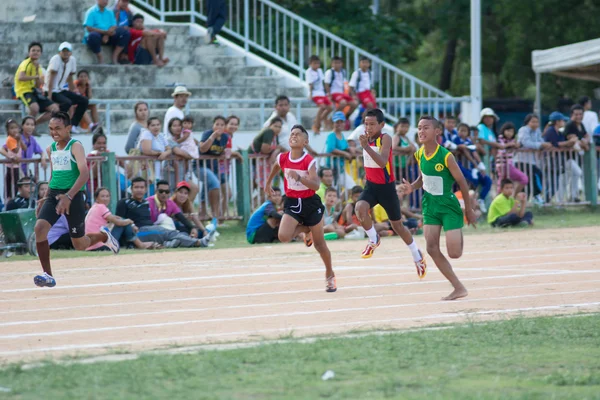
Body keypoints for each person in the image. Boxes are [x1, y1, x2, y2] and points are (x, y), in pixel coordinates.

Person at [33, 112, 119, 288]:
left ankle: (103, 235)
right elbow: (54, 175)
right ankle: (48, 275)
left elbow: (84, 173)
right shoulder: (51, 149)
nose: (53, 132)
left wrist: (69, 196)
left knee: (79, 244)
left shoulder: (76, 146)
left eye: (57, 128)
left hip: (74, 196)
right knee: (40, 228)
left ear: (68, 128)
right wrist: (45, 197)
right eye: (50, 129)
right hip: (54, 195)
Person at [399, 115, 475, 301]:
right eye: (419, 128)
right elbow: (422, 177)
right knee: (431, 248)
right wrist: (412, 187)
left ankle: (457, 231)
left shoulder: (446, 156)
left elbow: (462, 182)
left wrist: (470, 209)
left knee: (454, 253)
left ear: (437, 131)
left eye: (426, 128)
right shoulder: (419, 154)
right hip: (430, 206)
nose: (421, 131)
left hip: (448, 206)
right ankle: (458, 288)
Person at [264, 124, 337, 292]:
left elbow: (315, 185)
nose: (293, 136)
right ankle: (307, 230)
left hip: (310, 204)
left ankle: (329, 274)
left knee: (319, 244)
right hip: (292, 202)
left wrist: (299, 178)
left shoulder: (308, 161)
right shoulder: (283, 158)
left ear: (305, 141)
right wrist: (268, 184)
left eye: (297, 134)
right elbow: (276, 166)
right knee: (283, 236)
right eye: (292, 134)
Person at [354, 108, 426, 277]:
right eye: (366, 124)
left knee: (397, 225)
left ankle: (417, 256)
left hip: (386, 188)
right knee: (359, 208)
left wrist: (366, 147)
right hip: (371, 186)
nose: (369, 127)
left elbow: (382, 162)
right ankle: (374, 239)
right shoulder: (365, 139)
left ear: (382, 125)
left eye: (372, 124)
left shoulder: (385, 138)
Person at [114, 177, 212, 248]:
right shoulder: (124, 202)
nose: (139, 190)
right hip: (138, 232)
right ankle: (198, 242)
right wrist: (131, 226)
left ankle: (176, 243)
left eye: (142, 187)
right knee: (168, 233)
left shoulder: (145, 203)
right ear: (131, 189)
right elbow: (118, 221)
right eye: (136, 187)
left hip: (150, 228)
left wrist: (192, 227)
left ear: (146, 189)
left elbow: (180, 216)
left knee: (170, 232)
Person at [86, 187, 157, 251]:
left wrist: (128, 222)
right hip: (100, 246)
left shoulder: (95, 207)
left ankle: (133, 244)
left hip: (90, 245)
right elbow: (119, 222)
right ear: (97, 198)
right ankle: (140, 245)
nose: (105, 199)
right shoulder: (101, 207)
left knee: (123, 221)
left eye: (107, 196)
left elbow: (114, 217)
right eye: (102, 196)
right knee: (123, 223)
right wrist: (129, 221)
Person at [45, 42, 89, 134]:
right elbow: (51, 77)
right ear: (59, 52)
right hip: (52, 90)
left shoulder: (72, 60)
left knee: (83, 100)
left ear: (70, 53)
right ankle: (58, 125)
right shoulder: (56, 59)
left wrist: (73, 91)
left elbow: (69, 77)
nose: (65, 53)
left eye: (67, 51)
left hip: (61, 89)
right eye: (63, 51)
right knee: (67, 102)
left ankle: (73, 125)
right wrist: (49, 95)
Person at [14, 42, 59, 124]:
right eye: (33, 50)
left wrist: (37, 73)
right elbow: (21, 77)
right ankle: (24, 129)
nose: (35, 52)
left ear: (41, 53)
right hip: (23, 91)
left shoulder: (38, 66)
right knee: (35, 108)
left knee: (55, 109)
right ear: (29, 52)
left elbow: (38, 85)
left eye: (38, 51)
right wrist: (35, 77)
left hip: (33, 90)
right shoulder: (25, 63)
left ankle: (34, 125)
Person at [452, 122, 492, 212]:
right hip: (460, 166)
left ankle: (480, 200)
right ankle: (467, 205)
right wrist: (476, 164)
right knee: (471, 181)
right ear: (457, 131)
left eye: (465, 131)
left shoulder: (469, 141)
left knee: (487, 180)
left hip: (472, 168)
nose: (462, 132)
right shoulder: (456, 139)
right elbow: (464, 151)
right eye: (460, 130)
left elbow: (475, 153)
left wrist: (480, 165)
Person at [514, 114, 552, 205]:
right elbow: (526, 143)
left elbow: (540, 140)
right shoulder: (523, 130)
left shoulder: (537, 131)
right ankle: (533, 197)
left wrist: (545, 144)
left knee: (532, 179)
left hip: (532, 161)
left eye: (537, 122)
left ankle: (530, 199)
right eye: (533, 122)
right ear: (528, 122)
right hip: (521, 160)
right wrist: (541, 145)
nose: (535, 124)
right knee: (529, 179)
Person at [83, 0, 131, 64]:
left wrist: (107, 34)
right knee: (92, 36)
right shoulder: (91, 11)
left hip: (108, 35)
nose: (105, 1)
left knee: (125, 33)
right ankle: (100, 58)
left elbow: (114, 26)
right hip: (97, 35)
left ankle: (115, 57)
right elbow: (88, 28)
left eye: (106, 0)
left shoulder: (110, 12)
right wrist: (105, 32)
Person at [199, 116, 230, 215]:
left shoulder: (225, 137)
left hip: (214, 167)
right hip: (200, 166)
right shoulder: (207, 134)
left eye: (222, 125)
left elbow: (223, 152)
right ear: (213, 125)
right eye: (217, 124)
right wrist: (212, 137)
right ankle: (214, 214)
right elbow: (202, 149)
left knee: (209, 187)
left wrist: (228, 154)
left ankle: (204, 213)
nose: (219, 127)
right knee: (215, 183)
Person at [562, 104, 590, 202]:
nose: (579, 116)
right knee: (574, 174)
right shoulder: (570, 125)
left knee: (575, 174)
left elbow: (586, 136)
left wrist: (585, 141)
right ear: (572, 115)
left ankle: (572, 196)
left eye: (581, 114)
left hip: (575, 156)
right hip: (566, 157)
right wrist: (584, 144)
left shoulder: (581, 125)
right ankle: (564, 198)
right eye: (576, 114)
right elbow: (573, 139)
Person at [250, 117, 285, 192]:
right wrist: (277, 149)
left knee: (261, 187)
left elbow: (276, 148)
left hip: (260, 163)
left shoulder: (275, 136)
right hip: (252, 162)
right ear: (270, 125)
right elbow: (265, 149)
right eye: (275, 126)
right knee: (257, 187)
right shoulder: (269, 131)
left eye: (280, 127)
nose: (278, 129)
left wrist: (277, 150)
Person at [324, 111, 356, 191]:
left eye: (341, 122)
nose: (339, 124)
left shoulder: (342, 135)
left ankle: (339, 202)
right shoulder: (331, 135)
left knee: (352, 187)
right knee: (333, 190)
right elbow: (331, 149)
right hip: (332, 169)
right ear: (333, 123)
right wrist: (345, 153)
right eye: (337, 122)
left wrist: (349, 149)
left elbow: (344, 147)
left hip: (340, 168)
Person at [495, 122, 528, 195]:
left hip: (509, 165)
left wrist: (516, 145)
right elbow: (502, 147)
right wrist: (510, 145)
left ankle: (512, 196)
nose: (509, 133)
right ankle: (499, 199)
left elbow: (518, 145)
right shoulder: (500, 138)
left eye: (511, 132)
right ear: (504, 131)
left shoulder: (513, 140)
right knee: (523, 178)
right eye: (508, 131)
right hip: (502, 164)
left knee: (503, 182)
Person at [305, 55, 333, 134]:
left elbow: (322, 82)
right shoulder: (308, 72)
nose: (316, 65)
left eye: (318, 63)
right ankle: (316, 125)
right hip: (315, 93)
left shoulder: (320, 71)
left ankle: (318, 119)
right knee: (322, 106)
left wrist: (327, 93)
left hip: (322, 93)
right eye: (314, 63)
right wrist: (310, 94)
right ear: (310, 64)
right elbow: (310, 84)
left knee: (330, 107)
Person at [2, 119, 24, 199]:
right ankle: (9, 199)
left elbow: (24, 148)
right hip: (11, 166)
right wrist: (18, 141)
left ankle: (13, 198)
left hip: (16, 166)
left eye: (16, 128)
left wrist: (20, 140)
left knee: (16, 184)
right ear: (8, 130)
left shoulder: (16, 139)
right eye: (12, 128)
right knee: (11, 186)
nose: (14, 130)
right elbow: (16, 150)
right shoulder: (9, 139)